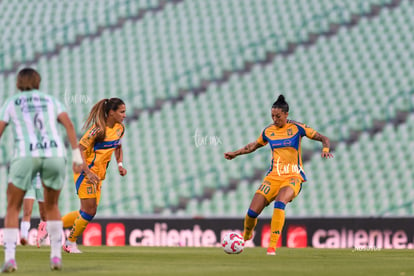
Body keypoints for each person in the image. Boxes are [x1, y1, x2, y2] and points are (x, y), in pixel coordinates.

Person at [224, 95, 333, 255]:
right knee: (252, 212)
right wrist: (235, 153)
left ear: (286, 115)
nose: (275, 119)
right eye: (272, 116)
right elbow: (253, 146)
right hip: (273, 177)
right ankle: (246, 236)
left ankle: (272, 247)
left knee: (280, 202)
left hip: (293, 176)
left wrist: (325, 150)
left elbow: (323, 138)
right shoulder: (269, 131)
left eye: (278, 116)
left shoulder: (297, 128)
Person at [0, 67, 83, 272]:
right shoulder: (51, 101)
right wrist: (76, 155)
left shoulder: (11, 102)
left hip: (26, 154)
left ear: (18, 83)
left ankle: (10, 258)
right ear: (38, 81)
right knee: (52, 206)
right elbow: (69, 126)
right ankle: (55, 257)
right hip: (54, 154)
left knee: (13, 206)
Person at [61, 98, 127, 253]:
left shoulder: (119, 129)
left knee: (85, 211)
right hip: (85, 173)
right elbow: (80, 149)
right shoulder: (97, 130)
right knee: (90, 211)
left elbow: (118, 146)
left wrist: (120, 164)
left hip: (98, 176)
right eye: (122, 112)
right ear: (111, 113)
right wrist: (88, 172)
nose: (124, 115)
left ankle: (52, 225)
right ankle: (69, 243)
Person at [19, 173, 48, 248]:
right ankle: (24, 237)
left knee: (44, 214)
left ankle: (42, 237)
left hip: (42, 181)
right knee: (27, 211)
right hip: (30, 181)